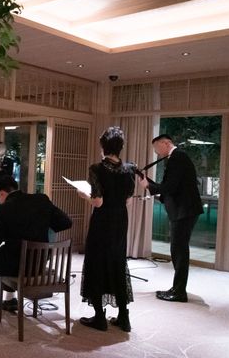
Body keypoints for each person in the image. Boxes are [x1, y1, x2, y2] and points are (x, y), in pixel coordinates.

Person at [0, 176, 72, 327]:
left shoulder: (3, 210)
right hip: (39, 264)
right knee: (9, 250)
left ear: (1, 192)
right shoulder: (42, 200)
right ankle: (10, 300)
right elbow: (66, 223)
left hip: (16, 266)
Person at [77, 127, 136, 332]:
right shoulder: (129, 169)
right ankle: (124, 317)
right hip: (120, 221)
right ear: (120, 147)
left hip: (102, 221)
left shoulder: (97, 169)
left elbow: (98, 202)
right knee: (118, 263)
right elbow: (128, 201)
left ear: (103, 146)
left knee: (97, 263)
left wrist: (84, 195)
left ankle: (99, 318)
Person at [140, 134, 203, 303]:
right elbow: (172, 188)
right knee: (178, 250)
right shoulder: (177, 158)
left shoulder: (178, 157)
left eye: (157, 148)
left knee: (179, 251)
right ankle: (177, 289)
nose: (156, 152)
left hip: (184, 211)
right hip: (184, 210)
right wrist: (150, 185)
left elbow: (169, 187)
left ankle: (179, 292)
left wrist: (149, 186)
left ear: (166, 143)